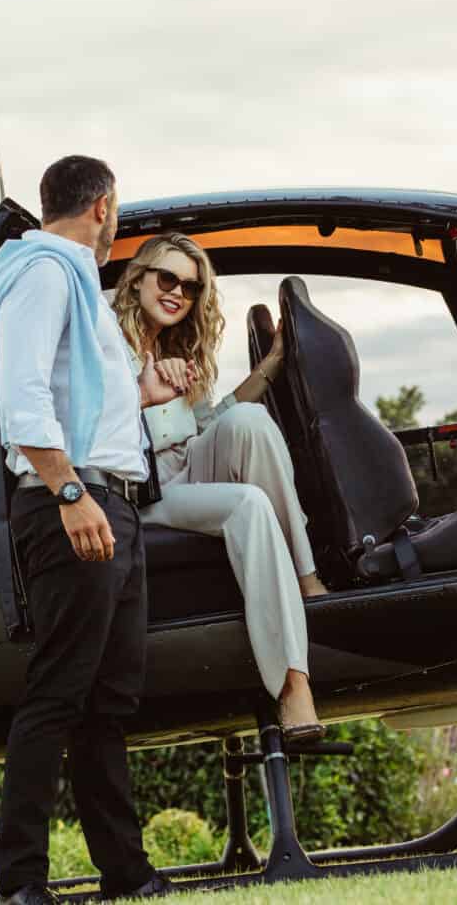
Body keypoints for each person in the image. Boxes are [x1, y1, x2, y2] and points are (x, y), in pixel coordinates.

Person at [0, 156, 176, 904]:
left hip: (109, 501)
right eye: (116, 211)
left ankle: (124, 874)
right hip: (75, 502)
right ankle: (21, 884)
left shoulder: (71, 280)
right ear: (102, 207)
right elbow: (21, 390)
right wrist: (68, 491)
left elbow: (75, 394)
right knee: (58, 693)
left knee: (107, 702)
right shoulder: (42, 269)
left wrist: (141, 396)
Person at [110, 232, 327, 742]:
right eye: (167, 279)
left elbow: (210, 420)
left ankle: (307, 578)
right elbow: (90, 429)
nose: (177, 293)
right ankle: (293, 686)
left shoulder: (177, 347)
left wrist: (271, 367)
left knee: (249, 420)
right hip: (142, 493)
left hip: (189, 468)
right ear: (138, 278)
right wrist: (140, 394)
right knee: (248, 504)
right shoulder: (109, 345)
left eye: (190, 287)